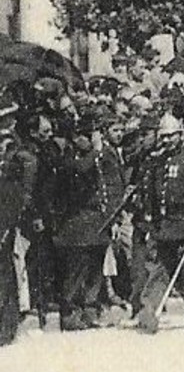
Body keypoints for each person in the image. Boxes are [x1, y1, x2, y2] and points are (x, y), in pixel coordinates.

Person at [48, 104, 125, 331]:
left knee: (94, 266)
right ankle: (71, 312)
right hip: (76, 221)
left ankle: (90, 310)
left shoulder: (94, 156)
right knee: (77, 269)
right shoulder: (68, 156)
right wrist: (96, 150)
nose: (90, 140)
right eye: (86, 136)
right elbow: (79, 171)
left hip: (96, 220)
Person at [132, 113, 184, 333]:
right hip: (163, 226)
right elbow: (151, 197)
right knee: (159, 271)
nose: (166, 141)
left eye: (171, 136)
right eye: (163, 136)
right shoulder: (157, 162)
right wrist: (150, 226)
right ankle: (148, 311)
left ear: (180, 136)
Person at [0, 105, 39, 346]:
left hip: (3, 226)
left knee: (5, 276)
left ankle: (6, 328)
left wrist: (6, 228)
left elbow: (13, 198)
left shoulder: (12, 165)